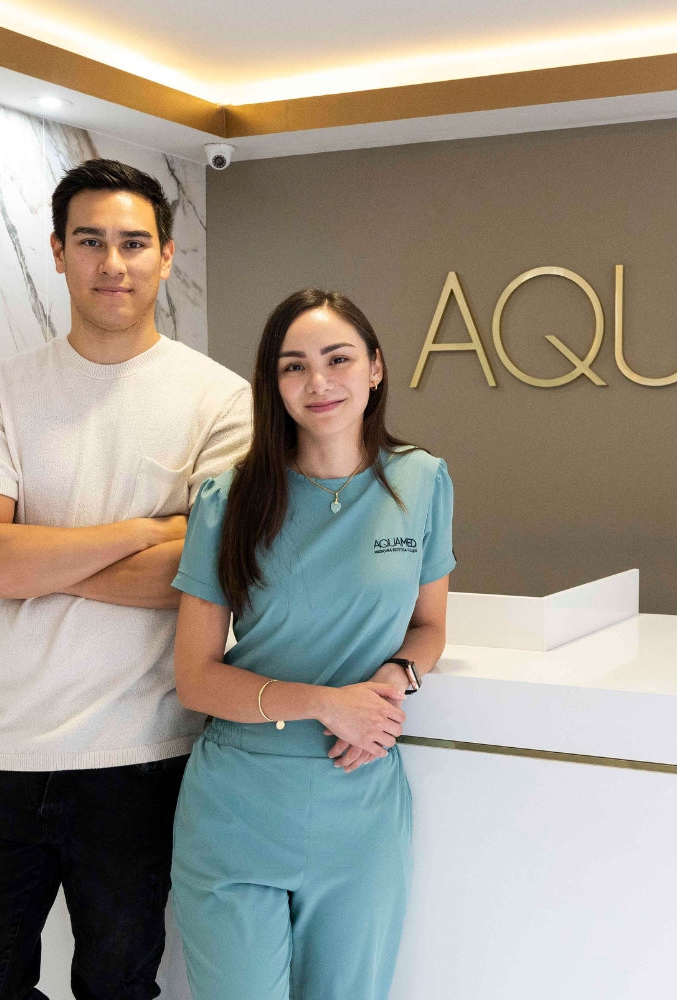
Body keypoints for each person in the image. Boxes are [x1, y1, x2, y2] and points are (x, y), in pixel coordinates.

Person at [0, 159, 252, 1000]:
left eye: (135, 243)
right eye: (92, 241)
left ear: (168, 257)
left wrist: (32, 560)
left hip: (142, 758)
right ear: (60, 254)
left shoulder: (220, 401)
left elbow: (203, 576)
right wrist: (146, 530)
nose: (114, 263)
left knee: (119, 988)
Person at [169, 288, 454, 1000]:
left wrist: (394, 681)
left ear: (376, 368)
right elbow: (196, 678)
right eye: (293, 367)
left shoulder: (422, 480)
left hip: (358, 810)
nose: (319, 382)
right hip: (238, 808)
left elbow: (431, 625)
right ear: (273, 385)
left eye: (338, 359)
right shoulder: (228, 497)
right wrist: (330, 704)